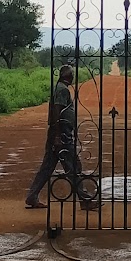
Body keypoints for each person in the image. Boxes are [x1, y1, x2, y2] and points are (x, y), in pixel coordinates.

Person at [25, 63, 89, 209]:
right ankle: (85, 199)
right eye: (72, 75)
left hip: (59, 133)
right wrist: (58, 136)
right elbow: (57, 112)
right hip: (61, 134)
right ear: (68, 76)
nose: (73, 77)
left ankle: (32, 196)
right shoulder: (62, 90)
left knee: (48, 167)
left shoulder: (61, 88)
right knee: (73, 166)